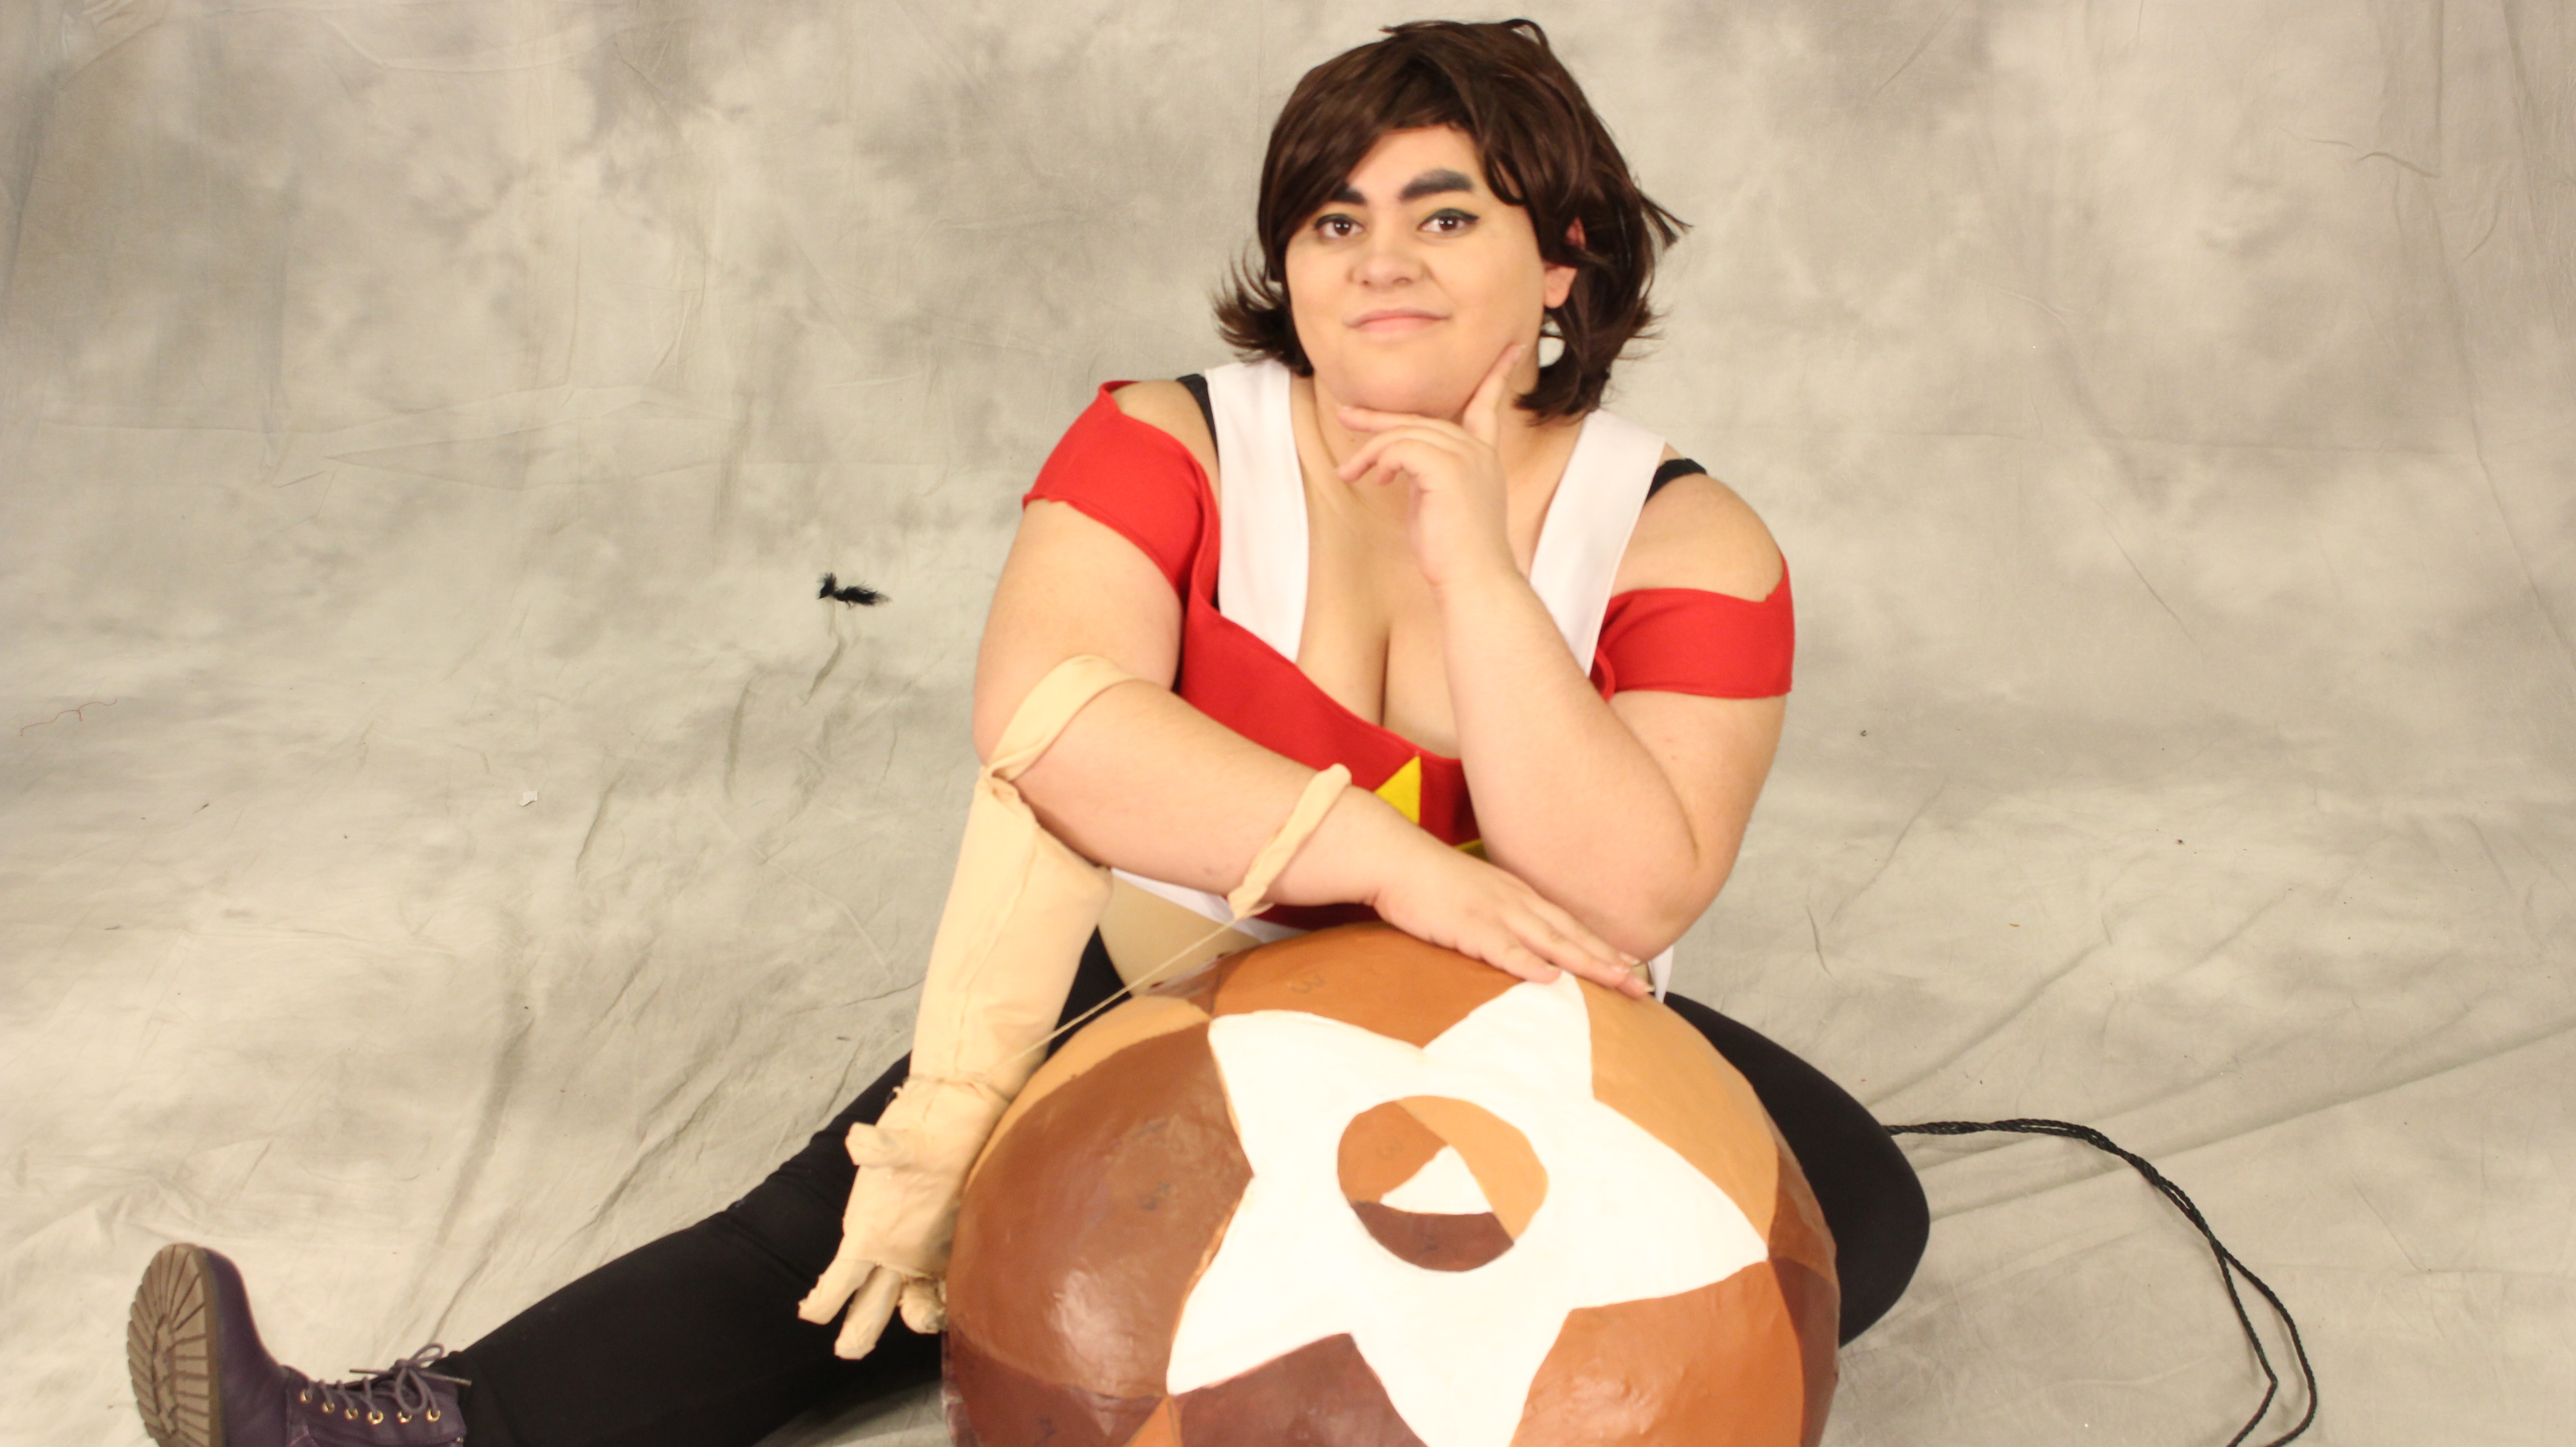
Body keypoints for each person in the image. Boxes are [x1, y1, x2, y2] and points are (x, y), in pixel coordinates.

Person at [125, 20, 1927, 1447]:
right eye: (1334, 220)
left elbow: (1624, 891)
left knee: (1846, 1215)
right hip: (1178, 976)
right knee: (845, 1237)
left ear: (1565, 259)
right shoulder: (1168, 439)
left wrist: (1474, 562)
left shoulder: (1686, 537)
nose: (1379, 261)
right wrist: (1400, 869)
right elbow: (1054, 726)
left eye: (1444, 215)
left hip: (1529, 1020)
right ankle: (401, 1434)